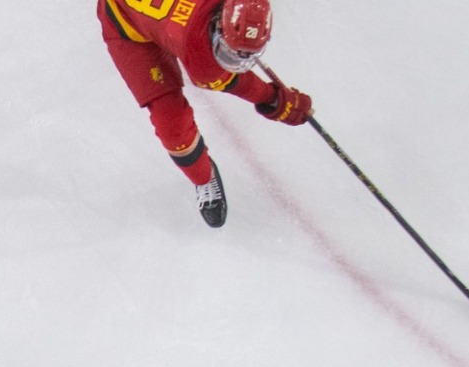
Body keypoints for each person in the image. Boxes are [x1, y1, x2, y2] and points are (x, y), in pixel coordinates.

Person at [98, 0, 313, 227]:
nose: (234, 60)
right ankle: (203, 177)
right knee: (173, 127)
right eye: (230, 53)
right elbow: (239, 83)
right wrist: (274, 100)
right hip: (127, 27)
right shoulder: (202, 58)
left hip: (164, 21)